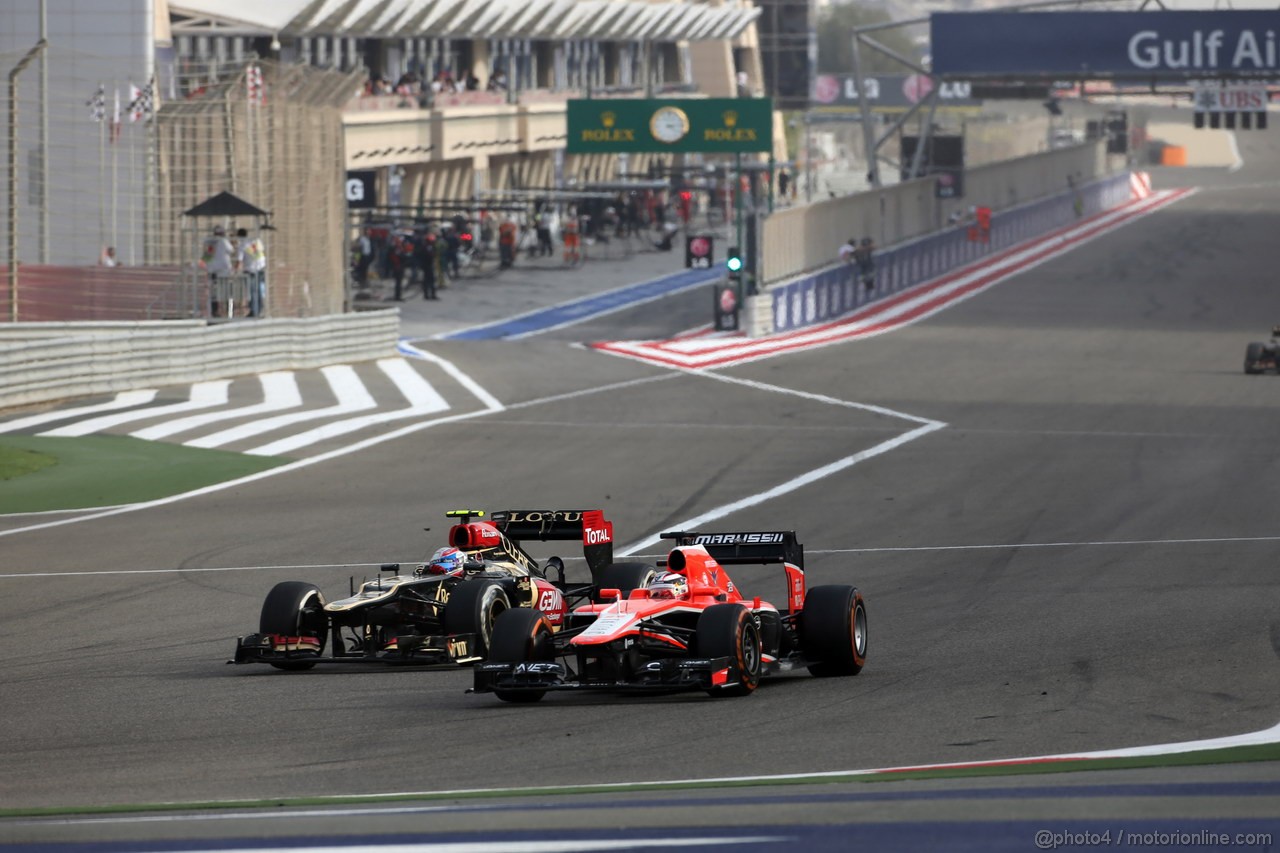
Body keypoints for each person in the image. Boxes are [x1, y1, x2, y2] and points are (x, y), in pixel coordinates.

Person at [202, 225, 235, 317]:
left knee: (214, 293)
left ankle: (214, 311)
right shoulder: (224, 241)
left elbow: (206, 256)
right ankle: (229, 312)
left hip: (213, 271)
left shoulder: (210, 242)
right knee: (227, 292)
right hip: (224, 271)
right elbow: (232, 250)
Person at [236, 228, 267, 317]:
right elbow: (261, 251)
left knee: (252, 291)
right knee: (259, 291)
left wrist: (235, 271)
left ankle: (254, 311)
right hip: (261, 268)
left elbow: (239, 260)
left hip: (251, 270)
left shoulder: (242, 245)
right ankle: (259, 309)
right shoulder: (256, 240)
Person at [413, 229, 437, 299]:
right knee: (427, 281)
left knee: (431, 280)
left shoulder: (430, 247)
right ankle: (426, 295)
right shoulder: (424, 248)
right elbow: (424, 256)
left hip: (429, 265)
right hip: (426, 266)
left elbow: (433, 254)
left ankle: (432, 294)